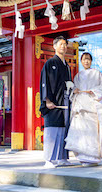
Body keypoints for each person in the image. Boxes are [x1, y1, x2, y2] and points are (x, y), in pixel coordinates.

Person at [64, 52, 102, 166]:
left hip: (92, 105)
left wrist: (93, 91)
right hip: (80, 105)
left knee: (92, 131)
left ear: (91, 61)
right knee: (81, 131)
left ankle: (93, 156)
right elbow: (74, 88)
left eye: (88, 59)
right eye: (84, 59)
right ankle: (83, 156)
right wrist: (75, 90)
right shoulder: (78, 75)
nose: (86, 61)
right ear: (81, 61)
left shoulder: (97, 74)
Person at [40, 35, 72, 168]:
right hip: (53, 102)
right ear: (54, 46)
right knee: (52, 129)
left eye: (65, 44)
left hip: (64, 101)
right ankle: (49, 159)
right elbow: (44, 82)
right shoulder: (50, 63)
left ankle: (63, 157)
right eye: (60, 44)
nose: (63, 47)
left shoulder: (67, 66)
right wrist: (47, 100)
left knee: (64, 129)